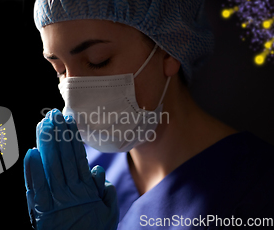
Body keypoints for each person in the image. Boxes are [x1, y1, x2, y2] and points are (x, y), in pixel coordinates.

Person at [24, 0, 274, 229]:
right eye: (59, 69)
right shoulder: (77, 179)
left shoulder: (256, 186)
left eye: (98, 60)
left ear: (170, 49)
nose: (73, 93)